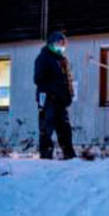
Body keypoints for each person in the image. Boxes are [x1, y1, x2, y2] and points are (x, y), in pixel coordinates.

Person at [34, 31, 76, 160]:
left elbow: (67, 79)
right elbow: (39, 79)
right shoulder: (44, 57)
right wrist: (50, 93)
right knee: (47, 127)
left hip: (61, 101)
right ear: (52, 43)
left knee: (64, 128)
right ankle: (46, 155)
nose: (61, 45)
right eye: (59, 43)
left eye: (63, 43)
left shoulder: (63, 60)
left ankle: (69, 154)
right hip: (48, 100)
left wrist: (69, 94)